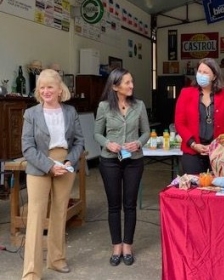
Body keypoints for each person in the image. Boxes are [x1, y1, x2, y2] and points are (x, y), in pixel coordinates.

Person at [21, 69, 84, 279]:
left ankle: (56, 260)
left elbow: (79, 141)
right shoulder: (31, 114)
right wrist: (49, 166)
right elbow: (27, 147)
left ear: (59, 89)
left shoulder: (70, 112)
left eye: (50, 87)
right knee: (36, 216)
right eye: (42, 87)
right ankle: (31, 270)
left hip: (65, 163)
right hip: (39, 165)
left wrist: (69, 161)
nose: (46, 91)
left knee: (60, 213)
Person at [94, 68, 150, 266]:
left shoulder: (139, 105)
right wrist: (107, 143)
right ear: (115, 86)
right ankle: (116, 245)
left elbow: (146, 132)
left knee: (130, 204)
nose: (132, 86)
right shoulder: (104, 107)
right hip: (110, 161)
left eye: (131, 82)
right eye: (127, 83)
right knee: (114, 205)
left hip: (134, 161)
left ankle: (128, 245)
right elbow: (97, 133)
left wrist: (139, 143)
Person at [175, 57, 224, 174]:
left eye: (205, 72)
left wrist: (218, 144)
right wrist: (193, 144)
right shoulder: (185, 93)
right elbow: (180, 123)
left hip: (220, 151)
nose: (201, 75)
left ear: (214, 76)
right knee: (193, 188)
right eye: (199, 72)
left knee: (217, 188)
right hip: (192, 151)